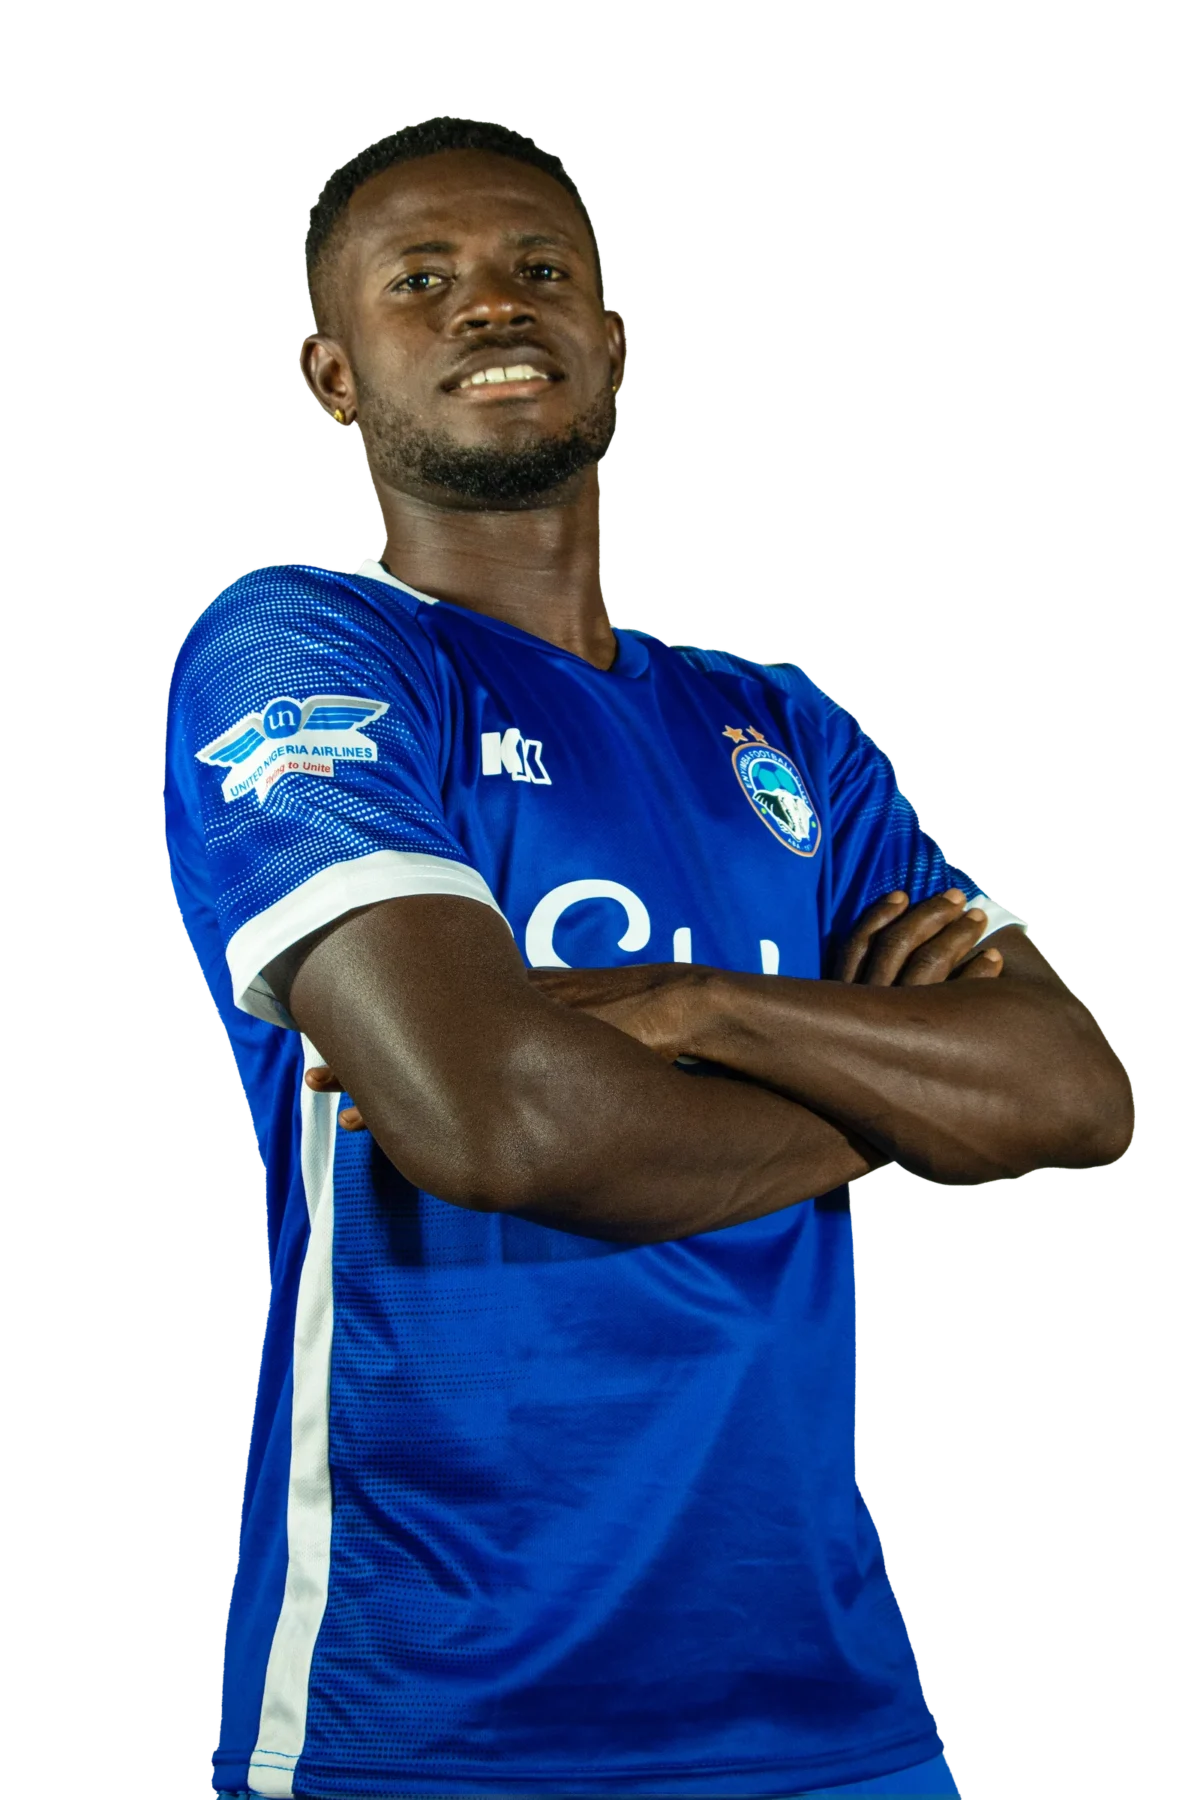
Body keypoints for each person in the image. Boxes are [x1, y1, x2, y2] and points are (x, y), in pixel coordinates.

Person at [165, 117, 1133, 1800]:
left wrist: (703, 1007)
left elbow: (1078, 1097)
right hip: (438, 1708)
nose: (492, 305)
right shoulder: (304, 651)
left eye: (539, 270)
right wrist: (898, 1108)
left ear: (614, 345)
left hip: (830, 1704)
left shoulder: (785, 725)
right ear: (332, 376)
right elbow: (498, 1126)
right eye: (422, 282)